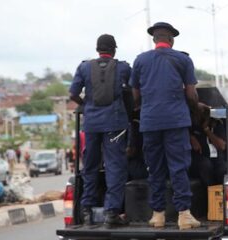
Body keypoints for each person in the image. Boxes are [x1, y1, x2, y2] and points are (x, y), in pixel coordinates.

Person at [129, 22, 200, 230]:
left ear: (154, 40)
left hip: (150, 122)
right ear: (171, 40)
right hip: (176, 121)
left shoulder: (140, 60)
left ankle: (158, 215)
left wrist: (147, 106)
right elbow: (190, 93)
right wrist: (196, 106)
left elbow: (135, 93)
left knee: (155, 168)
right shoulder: (182, 59)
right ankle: (184, 215)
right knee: (178, 166)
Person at [69, 34, 131, 228]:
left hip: (91, 125)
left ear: (97, 49)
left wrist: (86, 105)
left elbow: (72, 93)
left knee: (90, 166)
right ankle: (112, 213)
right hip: (115, 124)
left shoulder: (84, 67)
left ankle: (87, 211)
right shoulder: (123, 67)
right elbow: (134, 89)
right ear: (114, 50)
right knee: (115, 167)